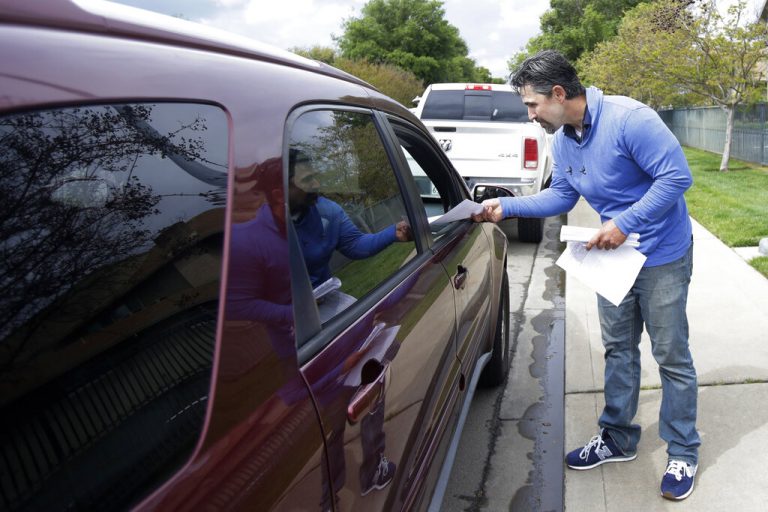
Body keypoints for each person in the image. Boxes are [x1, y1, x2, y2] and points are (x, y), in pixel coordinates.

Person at [475, 50, 700, 501]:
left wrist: (623, 224)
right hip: (613, 260)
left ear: (559, 94)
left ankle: (683, 450)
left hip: (661, 256)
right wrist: (508, 207)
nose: (531, 115)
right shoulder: (564, 139)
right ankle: (617, 437)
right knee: (618, 349)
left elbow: (676, 178)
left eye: (533, 105)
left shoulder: (630, 119)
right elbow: (560, 195)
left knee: (671, 354)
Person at [288, 148, 412, 320]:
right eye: (307, 179)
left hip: (325, 303)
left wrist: (393, 233)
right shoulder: (258, 230)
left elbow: (354, 244)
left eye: (314, 176)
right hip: (284, 319)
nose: (316, 184)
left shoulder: (326, 211)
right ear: (282, 185)